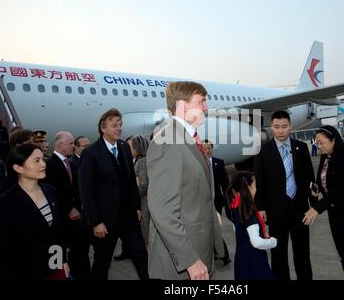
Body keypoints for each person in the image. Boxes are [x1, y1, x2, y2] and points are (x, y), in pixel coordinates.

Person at [147, 81, 224, 280]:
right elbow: (163, 210)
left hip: (201, 249)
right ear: (183, 105)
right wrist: (190, 260)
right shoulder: (168, 141)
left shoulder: (189, 139)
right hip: (182, 266)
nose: (206, 107)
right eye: (201, 101)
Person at [79, 108, 148, 280]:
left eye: (120, 125)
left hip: (128, 216)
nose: (119, 128)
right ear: (103, 128)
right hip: (105, 220)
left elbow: (131, 180)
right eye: (114, 125)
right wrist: (96, 222)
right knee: (102, 261)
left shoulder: (124, 147)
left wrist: (136, 207)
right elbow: (86, 191)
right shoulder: (90, 153)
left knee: (141, 255)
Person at [254, 110, 315, 280]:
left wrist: (314, 206)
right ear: (271, 128)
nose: (281, 131)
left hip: (301, 211)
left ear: (290, 126)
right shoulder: (263, 151)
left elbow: (310, 179)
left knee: (302, 254)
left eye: (284, 126)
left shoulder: (301, 148)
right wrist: (261, 207)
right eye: (277, 127)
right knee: (278, 255)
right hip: (275, 213)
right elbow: (259, 181)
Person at [0, 143, 69, 279]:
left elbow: (57, 233)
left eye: (42, 159)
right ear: (18, 168)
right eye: (36, 160)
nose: (43, 164)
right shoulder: (3, 204)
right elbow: (2, 250)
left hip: (52, 268)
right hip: (23, 272)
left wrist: (60, 261)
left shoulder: (50, 191)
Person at [303, 125, 344, 280]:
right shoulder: (326, 157)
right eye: (317, 142)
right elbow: (323, 180)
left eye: (321, 142)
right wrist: (316, 188)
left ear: (333, 140)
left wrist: (316, 208)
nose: (318, 145)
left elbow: (340, 189)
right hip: (335, 214)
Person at [43, 131, 91, 280]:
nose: (72, 146)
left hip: (77, 217)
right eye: (70, 143)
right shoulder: (50, 164)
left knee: (80, 250)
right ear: (60, 145)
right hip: (61, 219)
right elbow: (51, 192)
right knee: (59, 252)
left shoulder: (70, 163)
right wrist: (68, 208)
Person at [227, 171, 276, 280]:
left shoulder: (235, 207)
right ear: (248, 188)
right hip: (254, 261)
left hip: (241, 258)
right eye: (255, 186)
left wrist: (259, 233)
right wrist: (273, 242)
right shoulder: (248, 211)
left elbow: (239, 231)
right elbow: (256, 242)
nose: (256, 189)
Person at [202, 139, 231, 265]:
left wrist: (229, 199)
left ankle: (223, 255)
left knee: (215, 228)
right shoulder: (199, 163)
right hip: (203, 201)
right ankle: (218, 253)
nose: (207, 151)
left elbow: (225, 183)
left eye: (209, 148)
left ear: (212, 149)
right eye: (205, 148)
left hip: (217, 201)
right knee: (209, 228)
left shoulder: (219, 163)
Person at [0, 128, 33, 198]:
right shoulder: (4, 165)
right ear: (18, 144)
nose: (32, 146)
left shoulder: (27, 161)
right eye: (29, 143)